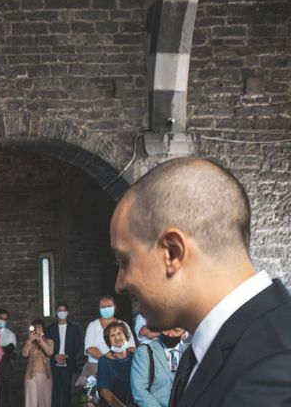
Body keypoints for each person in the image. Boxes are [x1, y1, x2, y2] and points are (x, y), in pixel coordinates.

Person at [111, 157, 291, 406]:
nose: (119, 284)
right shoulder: (202, 350)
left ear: (172, 253)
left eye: (124, 261)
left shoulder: (276, 368)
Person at [76, 296, 135, 389]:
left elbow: (131, 347)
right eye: (103, 307)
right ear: (99, 309)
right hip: (97, 365)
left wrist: (119, 359)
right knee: (98, 392)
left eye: (108, 306)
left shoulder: (123, 325)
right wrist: (107, 361)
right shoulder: (93, 325)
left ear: (114, 307)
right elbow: (90, 348)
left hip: (120, 365)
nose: (106, 309)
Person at [130, 328, 188, 407]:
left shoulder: (189, 352)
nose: (170, 334)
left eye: (176, 331)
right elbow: (139, 390)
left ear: (184, 333)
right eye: (166, 329)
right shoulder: (144, 352)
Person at [44, 302, 81, 407]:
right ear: (56, 312)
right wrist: (54, 355)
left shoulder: (74, 328)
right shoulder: (50, 328)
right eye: (60, 310)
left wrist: (67, 355)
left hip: (68, 362)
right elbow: (46, 345)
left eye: (64, 310)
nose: (62, 312)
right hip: (54, 362)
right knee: (55, 389)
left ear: (67, 312)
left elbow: (77, 345)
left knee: (66, 389)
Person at [97, 321, 134, 407]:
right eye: (112, 336)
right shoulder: (104, 361)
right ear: (108, 340)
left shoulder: (135, 357)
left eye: (119, 333)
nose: (117, 338)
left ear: (125, 335)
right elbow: (104, 391)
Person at [22, 318, 54, 407]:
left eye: (39, 327)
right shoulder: (30, 342)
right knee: (31, 402)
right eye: (35, 328)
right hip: (30, 376)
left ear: (43, 329)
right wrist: (29, 341)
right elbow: (24, 354)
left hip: (45, 376)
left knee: (45, 402)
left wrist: (41, 340)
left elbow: (49, 352)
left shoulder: (49, 341)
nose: (37, 330)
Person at [0, 309, 17, 407]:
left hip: (4, 370)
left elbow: (10, 353)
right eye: (1, 318)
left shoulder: (10, 335)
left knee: (4, 396)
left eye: (5, 319)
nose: (3, 321)